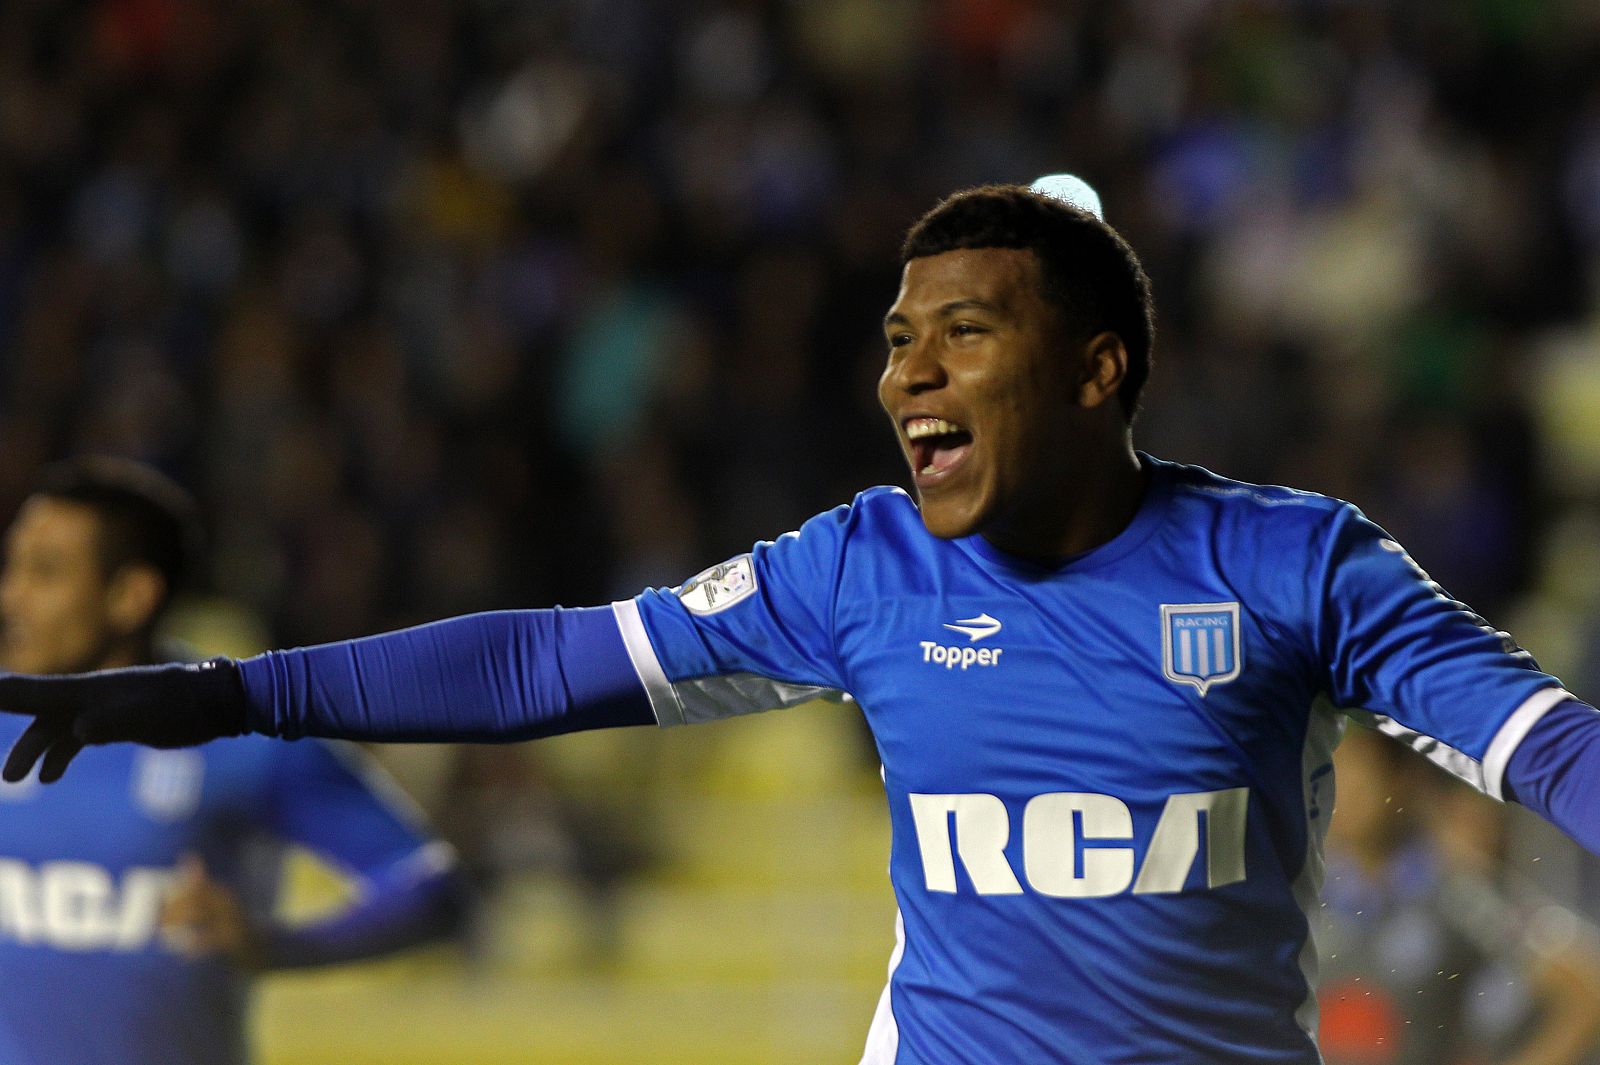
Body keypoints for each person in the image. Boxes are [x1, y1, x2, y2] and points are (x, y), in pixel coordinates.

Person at [3, 181, 1599, 1065]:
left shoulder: (1289, 567)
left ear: (1099, 371)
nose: (907, 375)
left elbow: (1541, 745)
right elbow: (543, 661)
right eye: (898, 341)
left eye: (961, 336)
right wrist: (221, 692)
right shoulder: (860, 571)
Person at [0, 458, 469, 1065]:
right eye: (11, 565)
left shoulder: (238, 735)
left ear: (129, 596)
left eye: (45, 573)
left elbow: (432, 889)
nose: (11, 596)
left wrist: (272, 948)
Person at [1318, 725, 1600, 1065]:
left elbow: (1585, 990)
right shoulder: (1304, 895)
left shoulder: (1455, 890)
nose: (1339, 797)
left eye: (1357, 780)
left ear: (1398, 783)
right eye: (1332, 779)